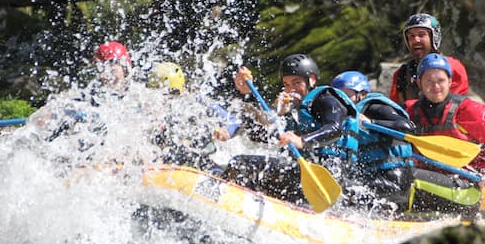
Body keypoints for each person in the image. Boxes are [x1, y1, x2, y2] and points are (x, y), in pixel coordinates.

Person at [225, 54, 358, 205]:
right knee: (250, 168)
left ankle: (227, 201)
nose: (291, 89)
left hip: (326, 176)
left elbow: (334, 129)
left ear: (312, 80)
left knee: (239, 164)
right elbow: (260, 136)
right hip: (303, 174)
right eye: (287, 84)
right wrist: (248, 94)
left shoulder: (326, 98)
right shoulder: (296, 111)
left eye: (296, 82)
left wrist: (302, 140)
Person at [405, 53, 485, 213]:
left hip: (467, 189)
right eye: (429, 81)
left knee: (406, 175)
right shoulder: (409, 110)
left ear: (450, 81)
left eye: (440, 81)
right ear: (419, 83)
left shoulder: (469, 110)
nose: (435, 86)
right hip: (429, 184)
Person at [330, 71, 416, 211]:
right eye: (337, 96)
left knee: (347, 194)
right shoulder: (343, 117)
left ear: (362, 94)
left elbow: (408, 127)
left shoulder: (375, 106)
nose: (342, 100)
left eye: (346, 95)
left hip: (394, 178)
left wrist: (372, 122)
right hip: (373, 177)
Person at [146, 61, 239, 171]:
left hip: (200, 162)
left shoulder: (196, 103)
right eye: (158, 93)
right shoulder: (148, 107)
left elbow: (233, 121)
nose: (164, 100)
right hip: (166, 163)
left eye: (169, 94)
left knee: (193, 158)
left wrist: (226, 132)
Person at [390, 13, 469, 105]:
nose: (416, 40)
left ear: (433, 37)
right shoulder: (401, 74)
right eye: (411, 36)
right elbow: (394, 109)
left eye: (421, 34)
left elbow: (455, 107)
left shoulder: (454, 68)